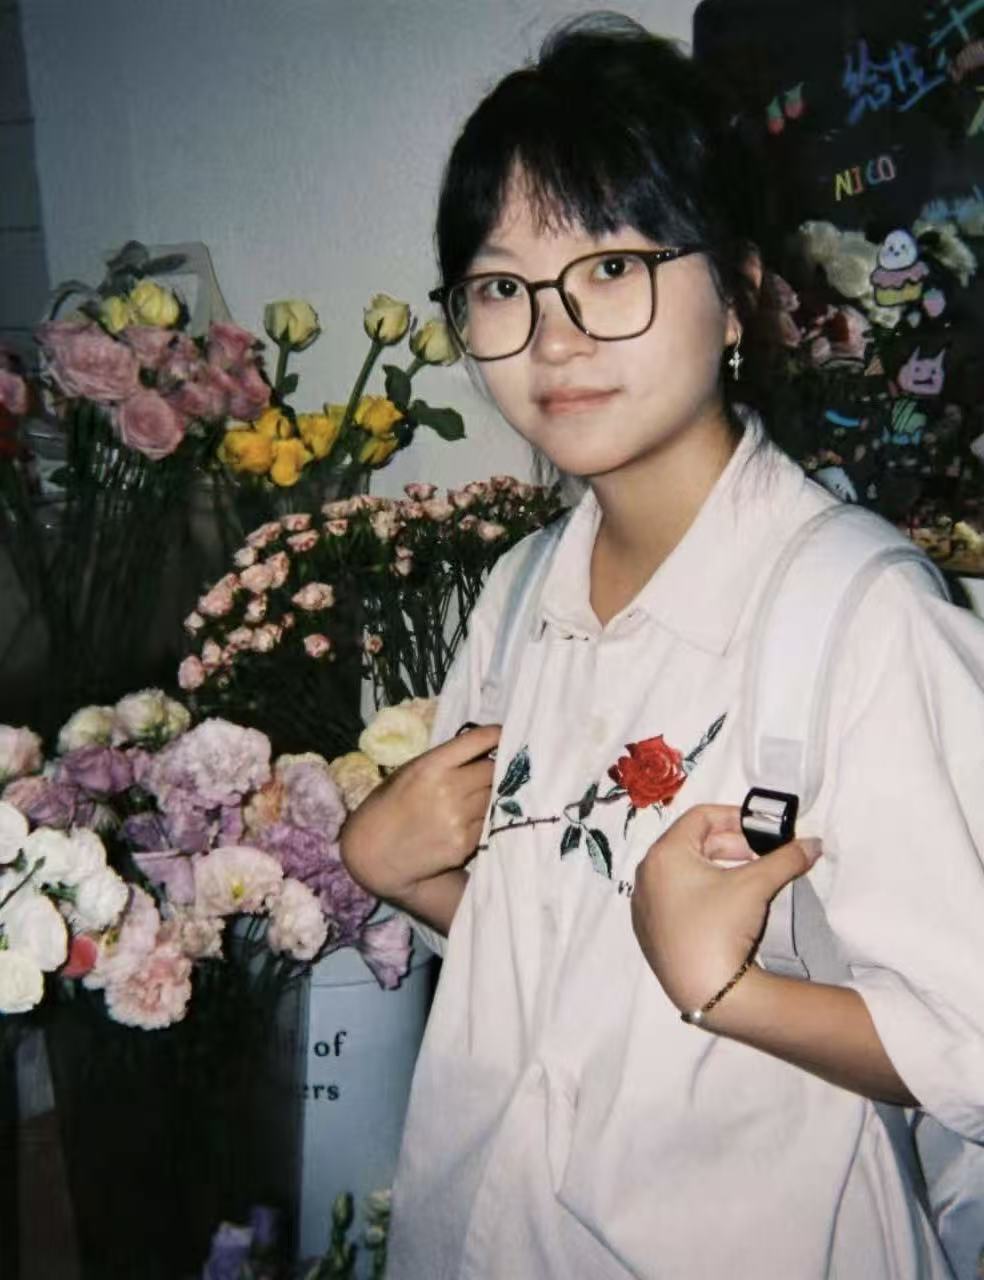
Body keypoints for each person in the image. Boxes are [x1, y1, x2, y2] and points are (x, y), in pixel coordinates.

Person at [340, 15, 984, 1278]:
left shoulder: (863, 619)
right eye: (502, 286)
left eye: (613, 265)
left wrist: (730, 988)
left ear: (738, 291)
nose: (554, 335)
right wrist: (404, 873)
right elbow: (556, 953)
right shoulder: (517, 596)